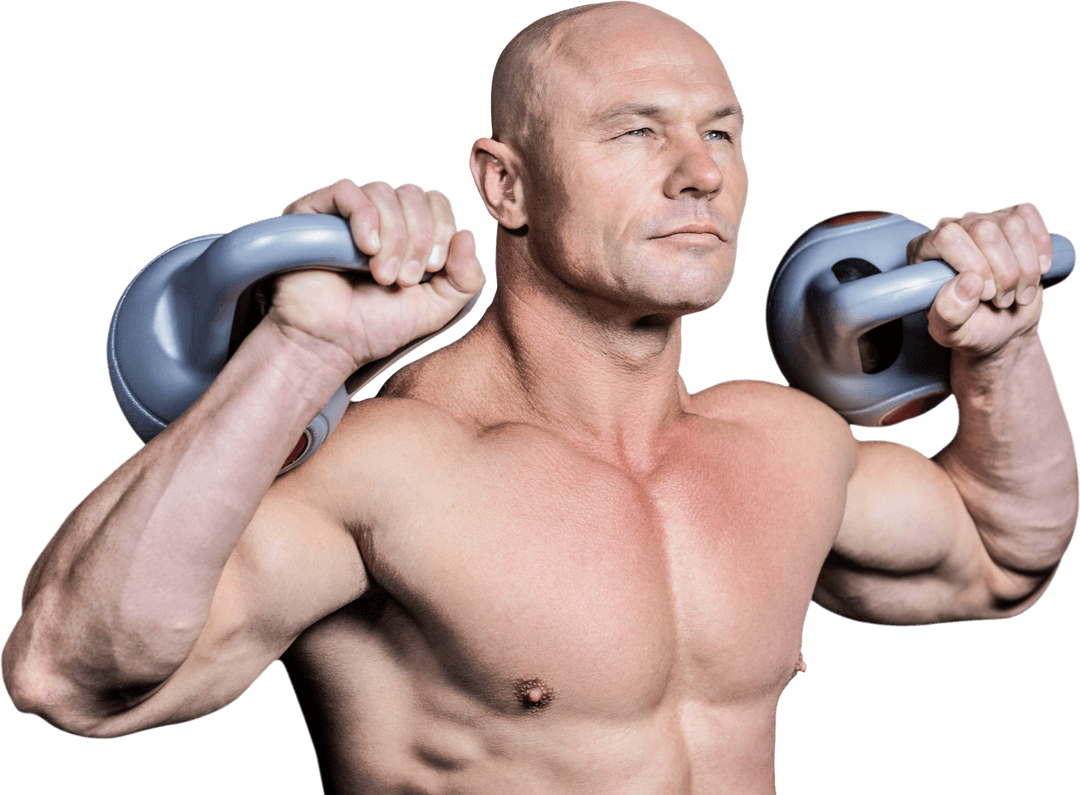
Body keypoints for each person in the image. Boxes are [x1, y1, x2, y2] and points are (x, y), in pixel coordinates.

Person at [3, 2, 1076, 792]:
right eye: (636, 130)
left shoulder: (781, 444)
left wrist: (1003, 346)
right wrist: (298, 351)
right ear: (506, 185)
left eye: (722, 131)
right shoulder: (395, 470)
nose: (699, 172)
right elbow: (74, 675)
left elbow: (1003, 557)